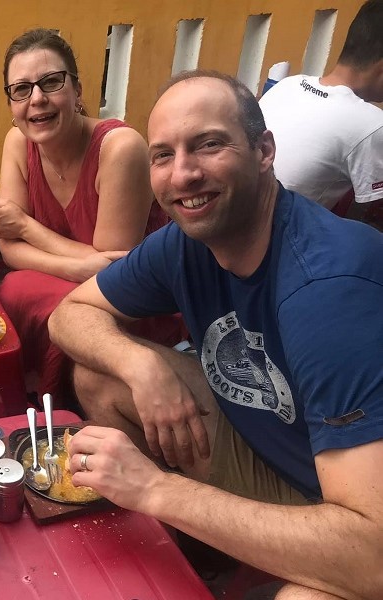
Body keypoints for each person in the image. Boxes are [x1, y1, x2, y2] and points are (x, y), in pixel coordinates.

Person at [49, 70, 383, 599]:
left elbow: (373, 556)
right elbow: (70, 314)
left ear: (264, 151)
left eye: (208, 145)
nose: (183, 174)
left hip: (345, 512)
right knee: (101, 373)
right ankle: (188, 561)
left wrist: (156, 490)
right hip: (263, 444)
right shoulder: (187, 241)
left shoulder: (327, 290)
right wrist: (144, 367)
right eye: (163, 155)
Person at [0, 28, 185, 405]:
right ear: (11, 103)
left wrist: (27, 226)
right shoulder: (18, 142)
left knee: (40, 297)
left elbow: (114, 270)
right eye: (21, 89)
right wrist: (78, 266)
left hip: (134, 300)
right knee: (15, 288)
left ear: (77, 91)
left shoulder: (120, 149)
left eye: (51, 82)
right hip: (75, 283)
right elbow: (9, 248)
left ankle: (58, 401)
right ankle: (42, 401)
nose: (37, 99)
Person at [259, 0, 383, 227]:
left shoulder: (288, 84)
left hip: (237, 221)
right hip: (279, 239)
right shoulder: (372, 124)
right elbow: (374, 215)